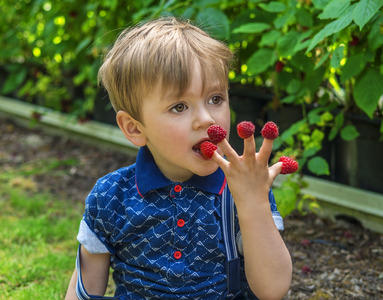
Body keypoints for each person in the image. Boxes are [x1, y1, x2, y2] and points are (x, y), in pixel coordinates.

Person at [65, 17, 292, 300]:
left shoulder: (242, 188)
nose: (207, 119)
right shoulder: (111, 197)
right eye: (179, 106)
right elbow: (85, 290)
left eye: (216, 99)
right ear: (135, 128)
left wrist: (253, 202)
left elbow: (274, 290)